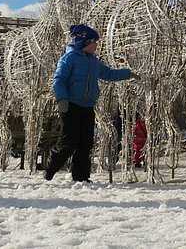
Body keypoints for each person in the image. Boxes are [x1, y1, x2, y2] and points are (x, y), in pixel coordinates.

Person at [45, 24, 133, 182]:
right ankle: (50, 171)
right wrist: (61, 99)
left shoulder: (93, 62)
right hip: (70, 106)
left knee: (86, 143)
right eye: (93, 42)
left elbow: (109, 74)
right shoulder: (69, 59)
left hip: (87, 107)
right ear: (84, 43)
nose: (96, 45)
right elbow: (59, 79)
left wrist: (128, 73)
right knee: (68, 142)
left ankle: (81, 177)